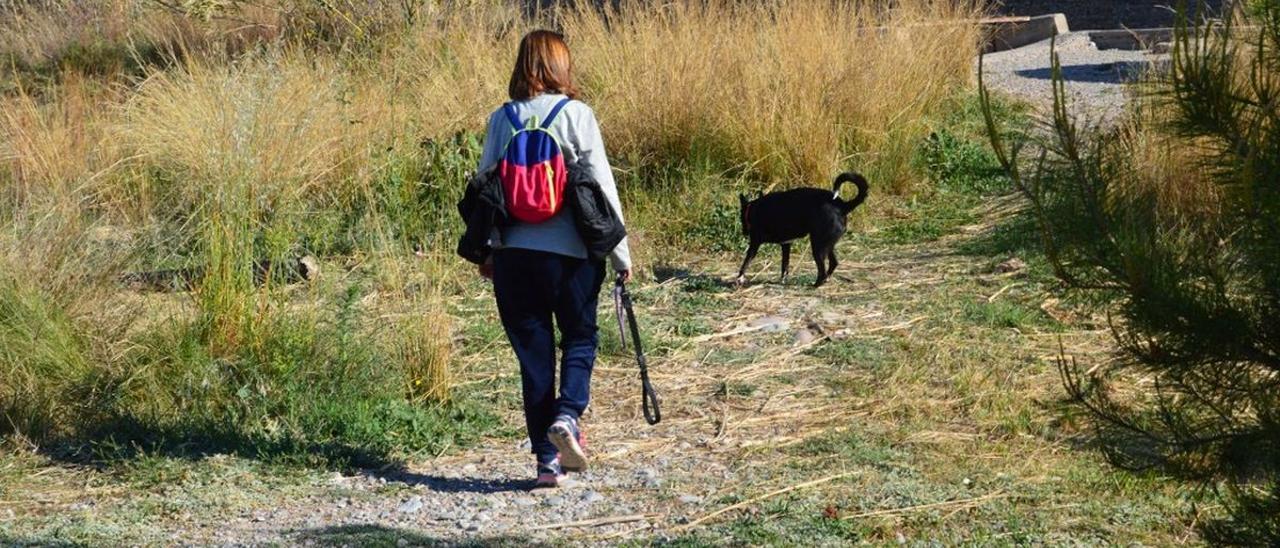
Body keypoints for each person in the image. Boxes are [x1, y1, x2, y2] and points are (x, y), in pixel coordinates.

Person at [476, 29, 632, 488]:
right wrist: (621, 254)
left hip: (515, 257)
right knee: (580, 337)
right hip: (573, 256)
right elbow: (602, 187)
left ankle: (546, 463)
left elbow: (486, 189)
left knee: (535, 357)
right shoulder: (577, 115)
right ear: (560, 68)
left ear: (523, 66)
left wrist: (488, 252)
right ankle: (568, 415)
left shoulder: (501, 119)